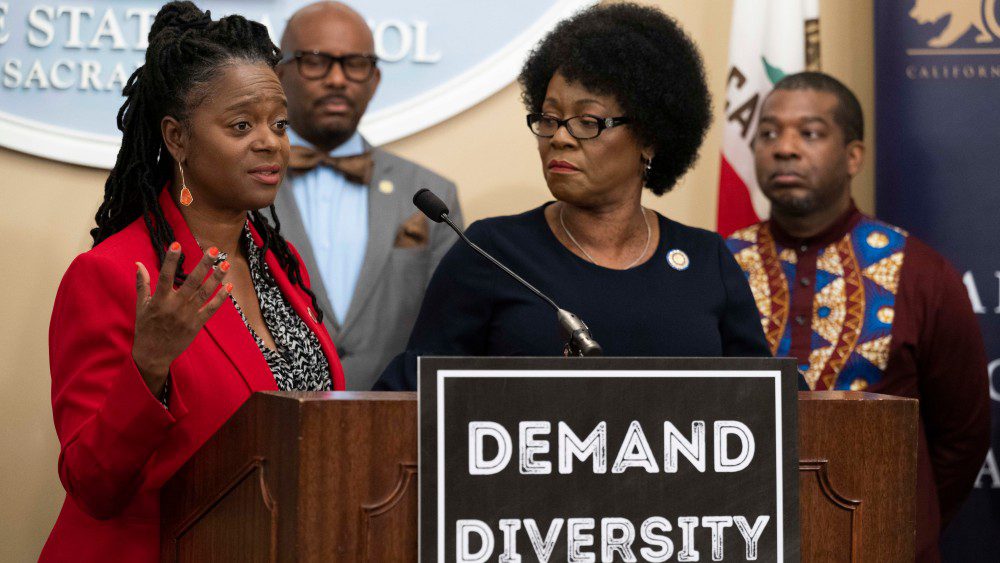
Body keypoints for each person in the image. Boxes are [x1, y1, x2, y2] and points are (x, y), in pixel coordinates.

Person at [41, 3, 344, 560]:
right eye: (241, 125)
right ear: (177, 137)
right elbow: (92, 486)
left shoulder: (283, 263)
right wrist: (147, 368)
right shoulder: (111, 275)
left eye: (278, 124)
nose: (270, 142)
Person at [374, 3, 769, 391]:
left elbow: (779, 401)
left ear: (649, 138)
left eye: (587, 122)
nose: (559, 137)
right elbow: (408, 400)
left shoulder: (705, 261)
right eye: (549, 119)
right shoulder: (490, 253)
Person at [725, 71, 990, 562]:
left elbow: (962, 437)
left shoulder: (921, 273)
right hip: (744, 542)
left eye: (809, 132)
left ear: (853, 156)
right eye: (768, 133)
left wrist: (903, 525)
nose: (784, 148)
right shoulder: (718, 266)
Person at [273, 1, 462, 390]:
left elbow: (451, 329)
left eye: (355, 63)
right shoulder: (241, 188)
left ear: (374, 80)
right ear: (279, 75)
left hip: (399, 424)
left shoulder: (430, 194)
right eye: (316, 61)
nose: (338, 79)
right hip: (270, 419)